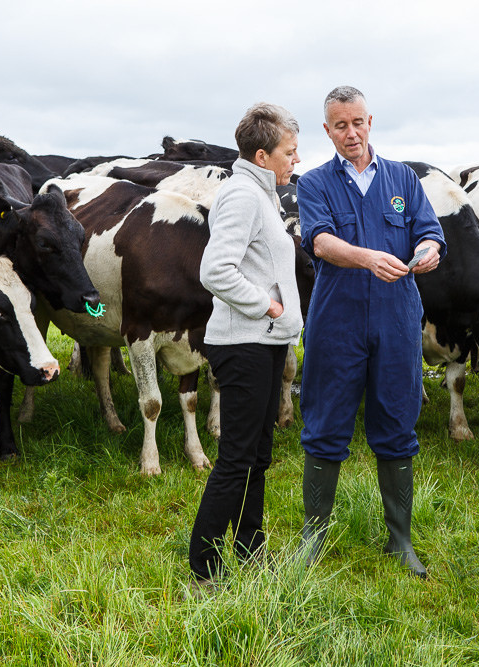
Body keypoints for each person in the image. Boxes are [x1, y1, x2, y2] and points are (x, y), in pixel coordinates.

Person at [296, 86, 445, 578]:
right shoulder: (315, 182)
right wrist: (366, 258)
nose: (351, 133)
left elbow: (429, 229)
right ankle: (313, 535)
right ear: (327, 131)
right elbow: (317, 240)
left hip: (397, 317)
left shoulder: (403, 177)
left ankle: (400, 540)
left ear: (370, 121)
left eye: (357, 122)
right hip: (337, 319)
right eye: (340, 125)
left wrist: (427, 251)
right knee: (324, 423)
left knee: (397, 422)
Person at [189, 102, 304, 591]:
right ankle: (204, 569)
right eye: (288, 152)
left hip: (265, 342)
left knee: (258, 455)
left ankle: (249, 549)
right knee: (237, 457)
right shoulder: (242, 195)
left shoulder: (263, 193)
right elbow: (215, 271)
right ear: (262, 155)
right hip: (245, 343)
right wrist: (269, 307)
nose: (294, 161)